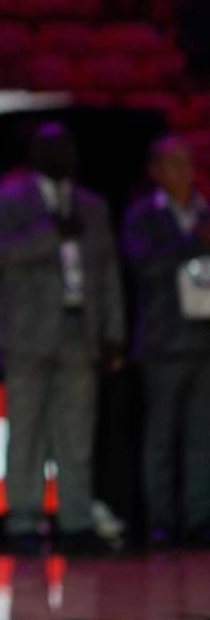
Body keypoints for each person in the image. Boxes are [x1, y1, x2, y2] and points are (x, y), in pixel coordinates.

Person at [0, 121, 127, 555]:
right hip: (27, 331)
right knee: (25, 429)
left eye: (67, 146)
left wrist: (114, 332)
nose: (62, 153)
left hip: (80, 327)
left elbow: (108, 272)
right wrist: (49, 238)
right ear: (34, 154)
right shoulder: (8, 200)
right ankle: (23, 519)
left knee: (76, 431)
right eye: (51, 147)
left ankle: (75, 519)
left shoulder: (92, 206)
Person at [121, 135, 210, 547]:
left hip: (205, 339)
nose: (182, 172)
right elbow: (144, 264)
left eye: (186, 162)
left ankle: (199, 517)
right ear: (155, 171)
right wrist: (192, 242)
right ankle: (161, 519)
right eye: (172, 163)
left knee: (201, 436)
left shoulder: (206, 211)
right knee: (161, 435)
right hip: (163, 343)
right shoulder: (143, 216)